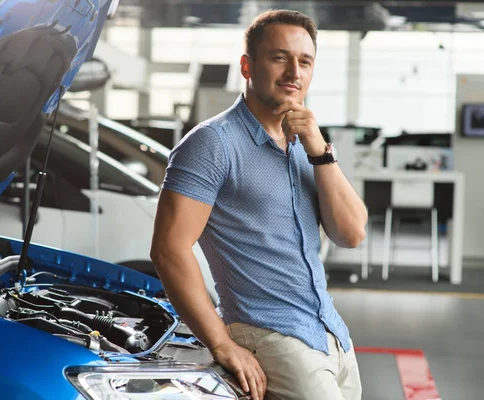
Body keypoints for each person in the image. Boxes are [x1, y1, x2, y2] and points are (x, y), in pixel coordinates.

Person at [150, 9, 367, 400]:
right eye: (279, 57)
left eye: (305, 62)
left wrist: (320, 152)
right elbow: (169, 250)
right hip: (271, 336)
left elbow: (351, 233)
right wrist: (221, 343)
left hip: (330, 334)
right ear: (247, 66)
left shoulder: (306, 142)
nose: (293, 73)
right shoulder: (212, 144)